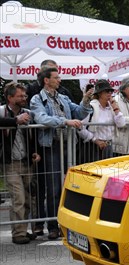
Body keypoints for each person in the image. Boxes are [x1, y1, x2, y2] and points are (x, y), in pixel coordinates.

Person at [30, 67, 93, 240]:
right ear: (46, 80)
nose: (60, 80)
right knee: (54, 188)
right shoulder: (37, 99)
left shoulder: (63, 97)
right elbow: (41, 118)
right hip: (51, 146)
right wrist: (65, 121)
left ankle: (64, 223)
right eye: (56, 77)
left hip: (68, 146)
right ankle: (52, 225)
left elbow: (79, 112)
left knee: (68, 186)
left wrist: (86, 100)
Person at [1, 82, 40, 244]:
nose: (24, 98)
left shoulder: (28, 112)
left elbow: (34, 134)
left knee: (29, 198)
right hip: (9, 163)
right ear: (10, 98)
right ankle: (18, 233)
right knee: (18, 197)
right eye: (20, 96)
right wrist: (15, 120)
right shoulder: (2, 111)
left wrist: (35, 151)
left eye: (25, 95)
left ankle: (23, 229)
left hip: (27, 162)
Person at [76, 79, 125, 163]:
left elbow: (121, 124)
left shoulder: (112, 107)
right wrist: (95, 140)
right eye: (107, 91)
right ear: (99, 93)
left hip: (108, 146)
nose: (110, 93)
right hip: (92, 147)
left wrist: (116, 108)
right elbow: (80, 127)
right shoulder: (91, 107)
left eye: (111, 91)